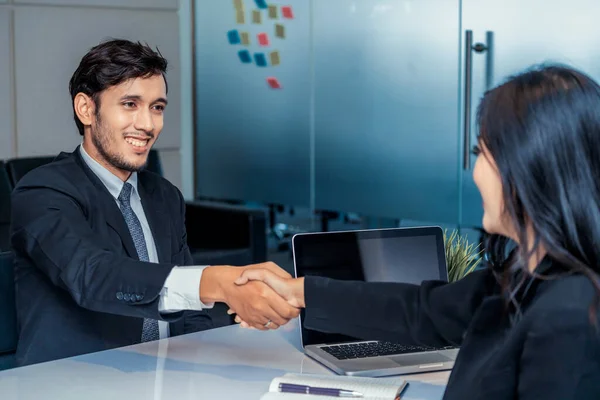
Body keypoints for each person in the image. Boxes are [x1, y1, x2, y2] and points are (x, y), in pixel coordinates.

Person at [233, 65, 600, 399]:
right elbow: (419, 311)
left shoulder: (568, 317)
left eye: (482, 153)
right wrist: (300, 291)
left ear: (528, 167)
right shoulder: (529, 278)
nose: (475, 173)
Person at [10, 39, 298, 367]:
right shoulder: (42, 190)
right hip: (76, 382)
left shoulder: (164, 195)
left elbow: (189, 311)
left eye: (157, 107)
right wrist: (217, 281)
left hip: (168, 376)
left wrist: (202, 360)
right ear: (86, 109)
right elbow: (91, 275)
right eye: (130, 104)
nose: (148, 125)